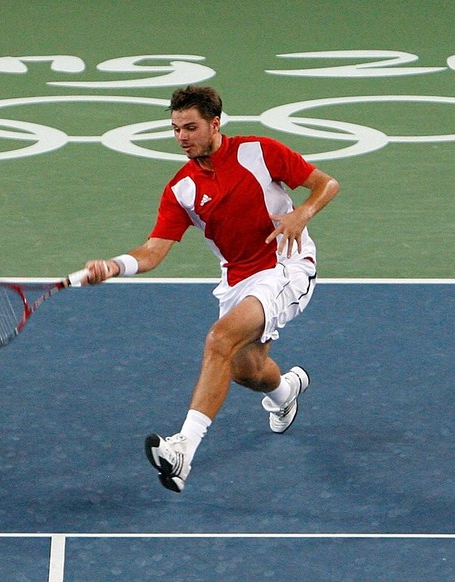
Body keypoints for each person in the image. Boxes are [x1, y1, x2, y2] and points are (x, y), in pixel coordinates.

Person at [81, 85, 339, 492]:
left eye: (190, 127)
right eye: (175, 129)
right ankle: (285, 391)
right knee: (246, 370)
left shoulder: (260, 151)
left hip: (286, 264)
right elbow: (152, 252)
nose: (182, 137)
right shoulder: (180, 189)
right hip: (238, 279)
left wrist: (301, 215)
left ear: (215, 124)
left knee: (219, 340)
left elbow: (327, 184)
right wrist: (114, 265)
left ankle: (183, 448)